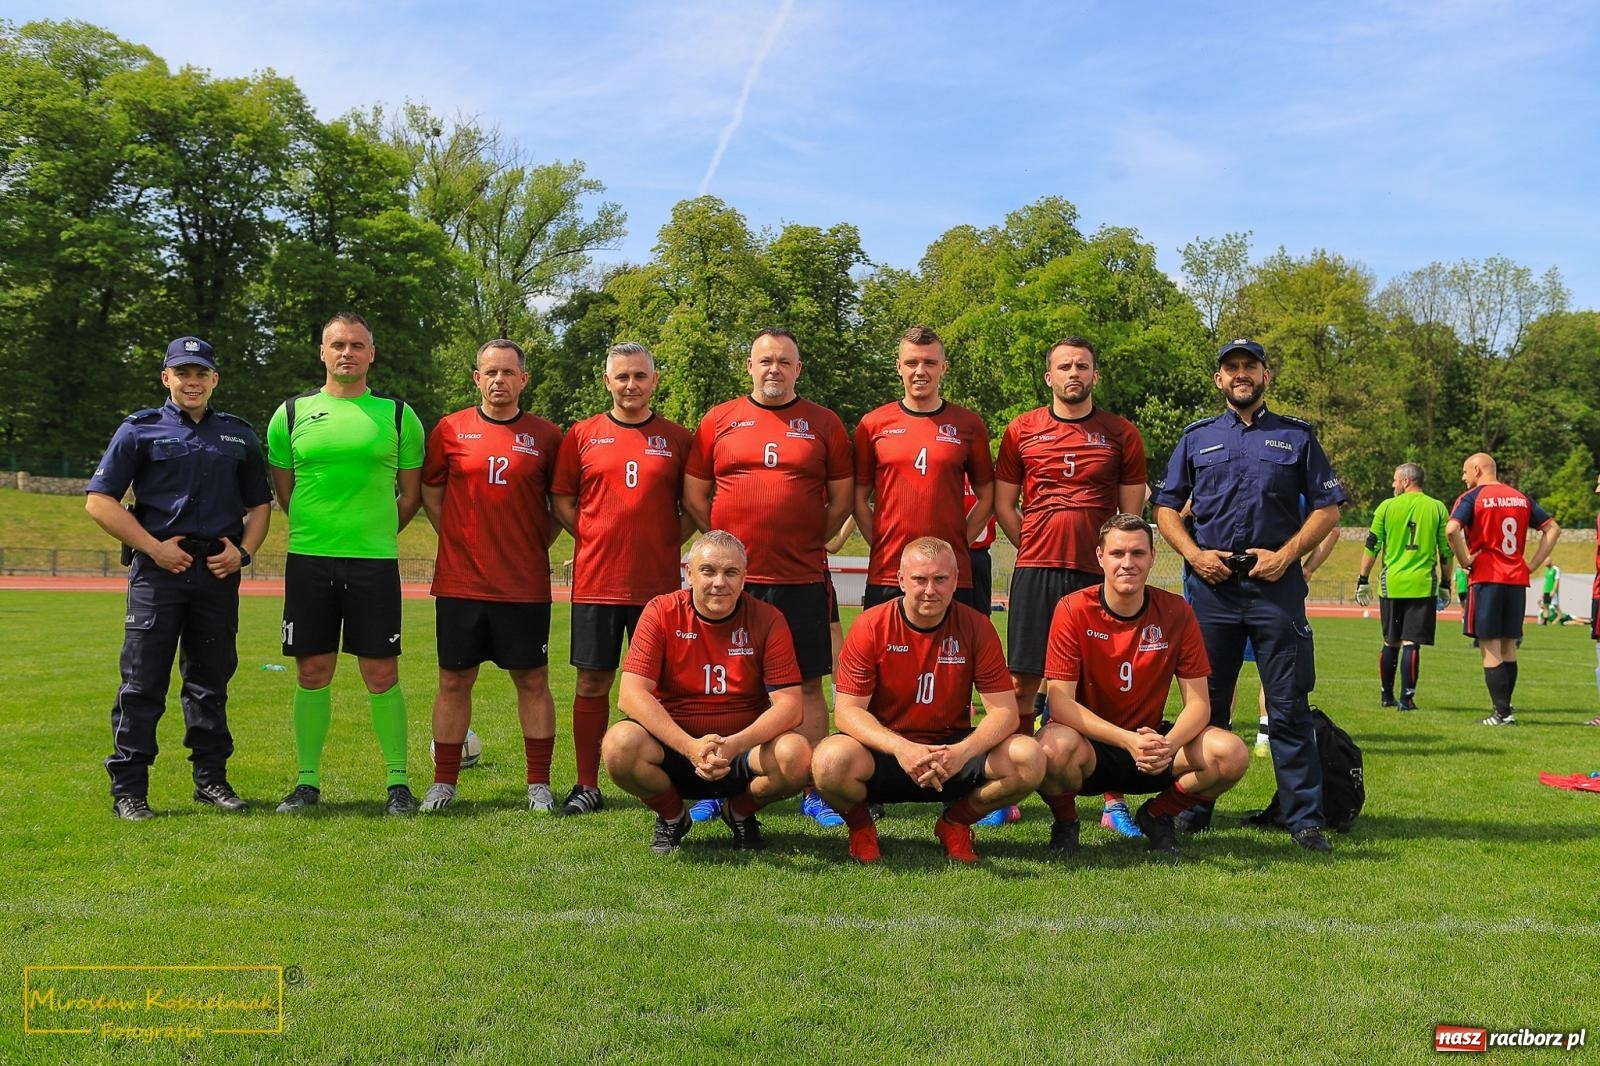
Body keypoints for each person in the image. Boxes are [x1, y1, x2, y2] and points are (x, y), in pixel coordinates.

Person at [1153, 338, 1346, 853]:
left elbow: (1328, 508)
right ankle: (1192, 807)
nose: (1240, 374)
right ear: (1219, 379)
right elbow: (1166, 507)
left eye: (1249, 367)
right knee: (1206, 705)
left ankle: (1304, 819)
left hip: (1274, 587)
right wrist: (1194, 556)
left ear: (1266, 376)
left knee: (1287, 706)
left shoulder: (1297, 436)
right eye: (1231, 368)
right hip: (1212, 587)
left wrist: (1287, 556)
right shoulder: (1196, 437)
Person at [85, 336, 273, 820]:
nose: (192, 382)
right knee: (142, 682)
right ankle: (129, 789)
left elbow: (258, 505)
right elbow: (99, 500)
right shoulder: (138, 430)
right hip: (158, 573)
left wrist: (244, 553)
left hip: (215, 571)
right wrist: (153, 548)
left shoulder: (237, 435)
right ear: (166, 378)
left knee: (211, 681)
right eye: (182, 373)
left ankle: (211, 780)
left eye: (201, 373)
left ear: (214, 379)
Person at [683, 328, 854, 827]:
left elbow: (841, 501)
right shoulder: (719, 419)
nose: (774, 369)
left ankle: (813, 787)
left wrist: (803, 539)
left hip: (801, 577)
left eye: (784, 361)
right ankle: (718, 782)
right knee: (729, 687)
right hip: (732, 583)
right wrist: (723, 553)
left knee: (806, 684)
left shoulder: (823, 423)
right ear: (749, 366)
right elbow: (696, 496)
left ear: (798, 369)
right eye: (765, 361)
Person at [266, 312, 426, 816]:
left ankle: (398, 784)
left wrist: (371, 532)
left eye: (357, 345)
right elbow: (286, 490)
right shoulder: (290, 413)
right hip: (310, 559)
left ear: (371, 354)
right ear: (322, 351)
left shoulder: (399, 415)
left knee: (381, 672)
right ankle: (307, 782)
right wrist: (323, 529)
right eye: (338, 344)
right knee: (312, 671)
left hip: (374, 562)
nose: (347, 353)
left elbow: (411, 494)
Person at [811, 537, 1044, 864]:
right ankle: (862, 827)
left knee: (1028, 757)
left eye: (940, 579)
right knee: (828, 762)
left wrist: (961, 753)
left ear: (956, 580)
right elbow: (848, 713)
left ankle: (955, 823)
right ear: (901, 580)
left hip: (951, 752)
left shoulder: (976, 626)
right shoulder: (871, 626)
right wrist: (902, 749)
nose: (929, 590)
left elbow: (1004, 713)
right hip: (887, 751)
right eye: (919, 579)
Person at [994, 336, 1146, 837]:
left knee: (1106, 690)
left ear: (1095, 375)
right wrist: (1033, 544)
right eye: (1064, 366)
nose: (1073, 373)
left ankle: (1112, 798)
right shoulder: (1021, 430)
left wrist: (1109, 563)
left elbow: (1129, 516)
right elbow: (1004, 506)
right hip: (1037, 569)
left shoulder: (1121, 433)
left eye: (1082, 365)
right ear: (1049, 376)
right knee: (1022, 681)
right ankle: (1012, 789)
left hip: (1094, 576)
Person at [1036, 514, 1248, 855]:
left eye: (1137, 553)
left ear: (1152, 557)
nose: (1127, 563)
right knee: (1049, 749)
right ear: (1100, 557)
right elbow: (1060, 704)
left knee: (1231, 753)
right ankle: (1065, 824)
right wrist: (1127, 741)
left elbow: (1199, 704)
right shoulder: (1073, 609)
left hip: (1153, 745)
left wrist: (1166, 744)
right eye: (1118, 553)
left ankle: (1158, 815)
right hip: (1092, 746)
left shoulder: (1176, 611)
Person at [418, 339, 564, 812]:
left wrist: (526, 544)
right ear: (476, 378)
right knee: (454, 680)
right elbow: (431, 492)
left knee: (533, 680)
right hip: (461, 583)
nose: (499, 380)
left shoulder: (548, 436)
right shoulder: (450, 429)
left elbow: (559, 506)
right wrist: (459, 538)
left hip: (522, 585)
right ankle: (444, 782)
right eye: (490, 372)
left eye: (508, 372)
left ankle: (538, 783)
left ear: (524, 379)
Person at [551, 342, 693, 817]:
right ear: (606, 381)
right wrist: (594, 536)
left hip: (658, 589)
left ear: (655, 380)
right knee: (592, 681)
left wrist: (666, 541)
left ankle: (674, 775)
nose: (630, 385)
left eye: (639, 376)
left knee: (662, 687)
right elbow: (564, 502)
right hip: (597, 582)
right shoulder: (582, 435)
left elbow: (691, 506)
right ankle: (587, 784)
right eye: (621, 377)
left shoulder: (677, 438)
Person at [603, 531, 811, 853]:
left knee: (796, 754)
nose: (719, 582)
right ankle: (673, 817)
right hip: (676, 748)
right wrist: (690, 747)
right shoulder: (661, 612)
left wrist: (733, 745)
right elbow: (630, 694)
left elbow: (790, 706)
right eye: (708, 570)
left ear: (744, 577)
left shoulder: (768, 619)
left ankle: (739, 812)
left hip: (741, 752)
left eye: (730, 572)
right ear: (689, 573)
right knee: (619, 746)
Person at [853, 325, 993, 611]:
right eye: (912, 362)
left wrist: (958, 543)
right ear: (898, 367)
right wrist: (880, 542)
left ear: (944, 367)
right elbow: (857, 497)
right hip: (889, 572)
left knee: (954, 655)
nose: (920, 371)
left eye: (929, 363)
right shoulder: (872, 424)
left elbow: (988, 495)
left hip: (950, 574)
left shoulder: (968, 425)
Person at [1446, 452, 1560, 726]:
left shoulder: (1472, 498)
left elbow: (1452, 530)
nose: (1463, 478)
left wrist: (1464, 560)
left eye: (1464, 472)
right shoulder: (1520, 497)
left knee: (1490, 647)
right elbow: (1553, 528)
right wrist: (1531, 564)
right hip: (1516, 579)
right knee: (1509, 646)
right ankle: (1507, 708)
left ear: (1476, 468)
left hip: (1487, 577)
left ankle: (1501, 713)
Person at [1353, 464, 1451, 711]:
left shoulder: (1386, 507)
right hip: (1422, 585)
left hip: (1392, 585)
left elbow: (1372, 545)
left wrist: (1363, 579)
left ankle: (1386, 696)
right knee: (1411, 643)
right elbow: (1446, 551)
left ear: (1407, 481)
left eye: (1395, 480)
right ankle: (1407, 699)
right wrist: (1446, 584)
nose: (1393, 484)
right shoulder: (1437, 507)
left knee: (1390, 642)